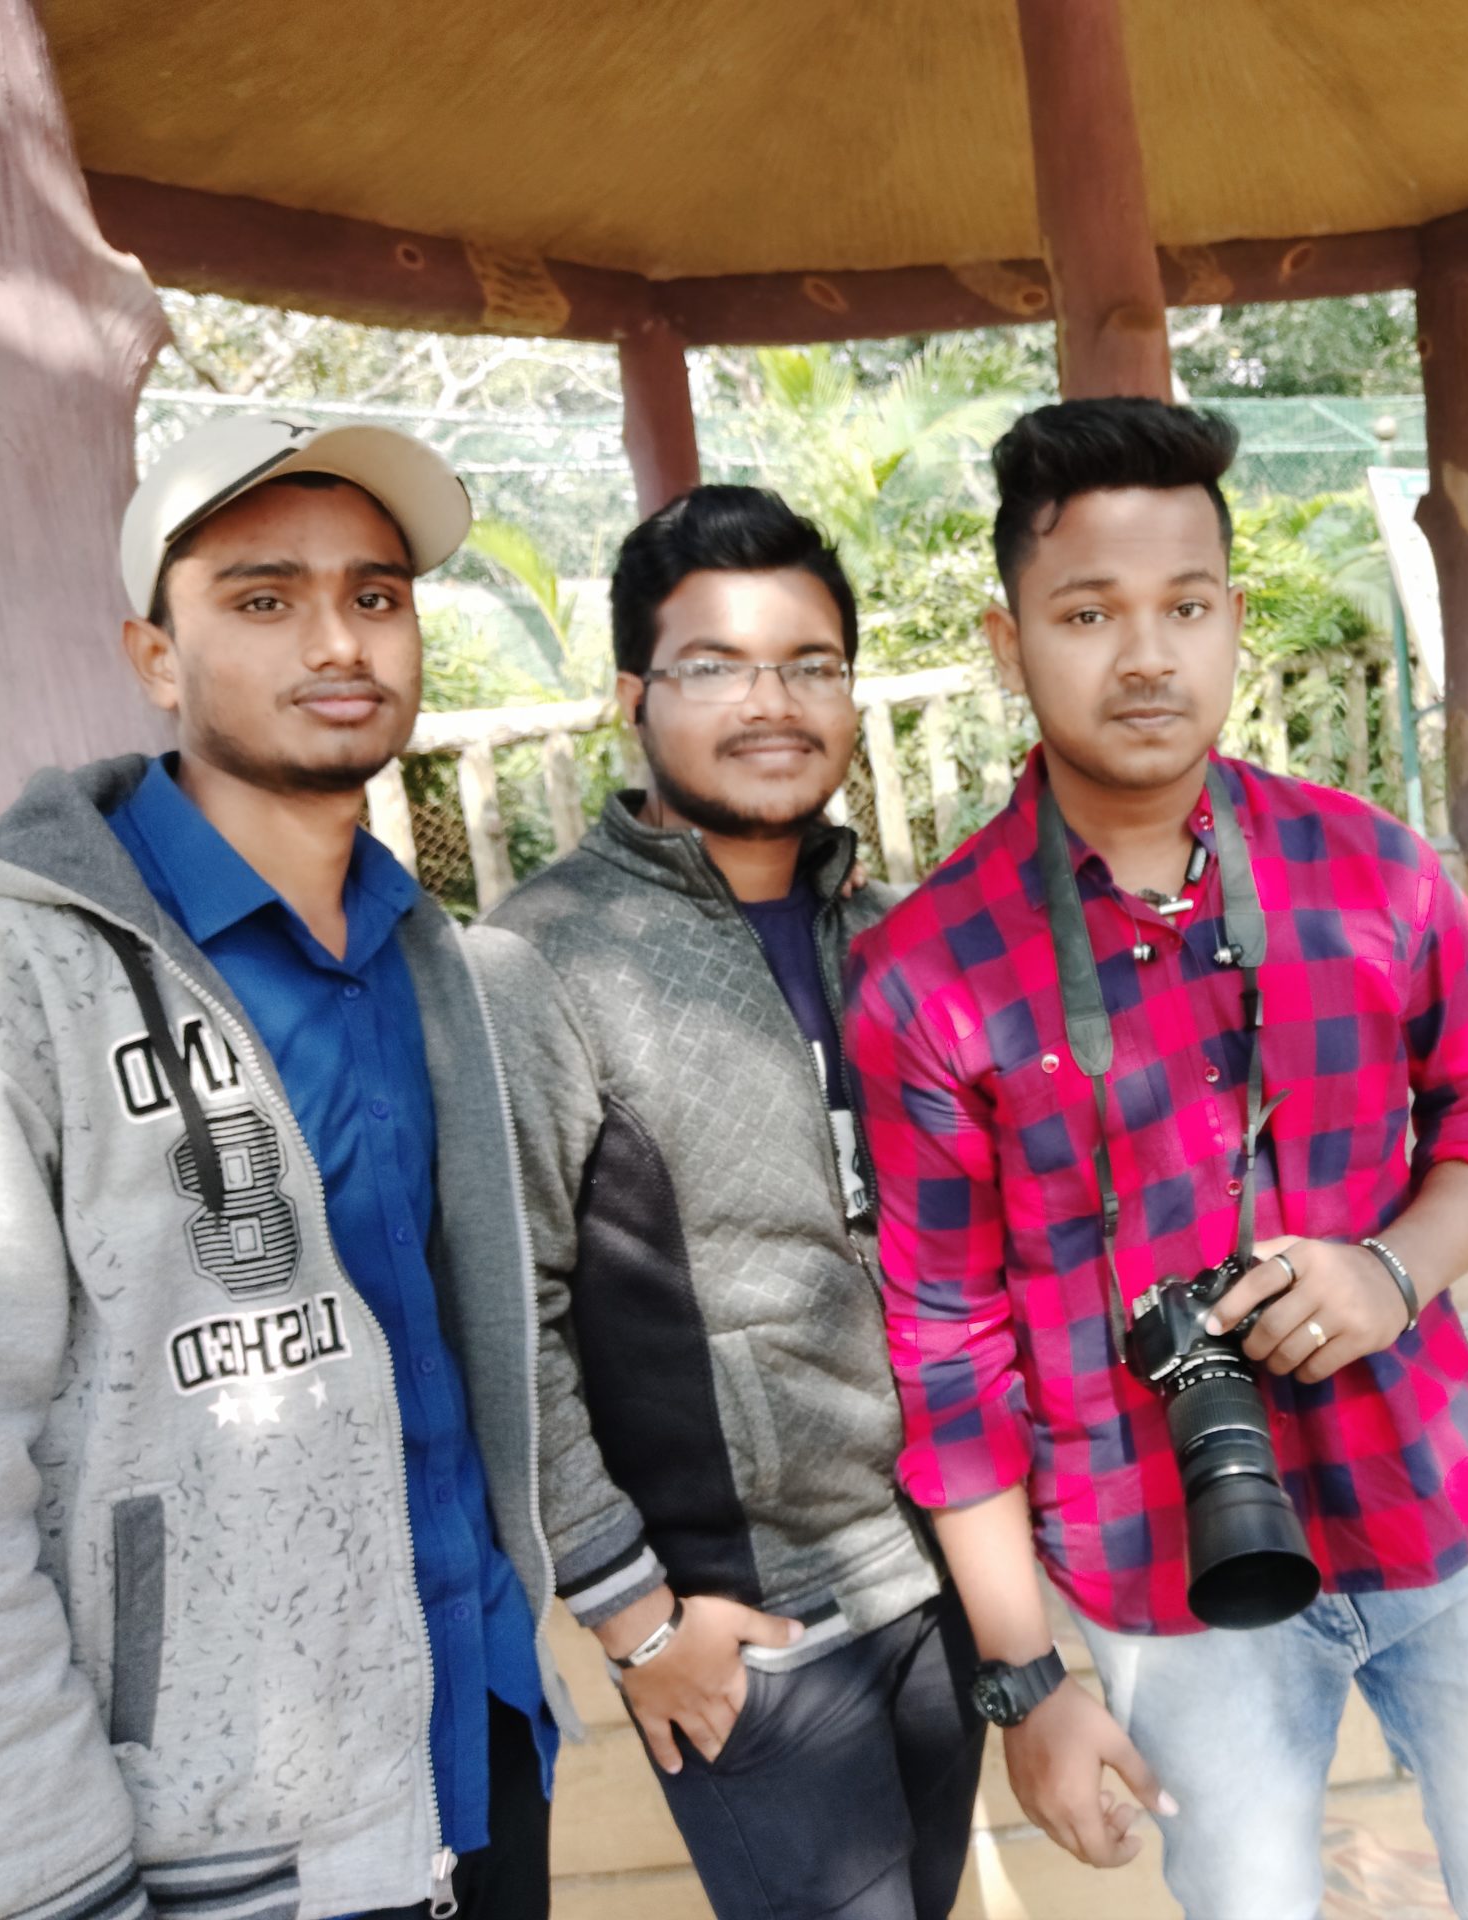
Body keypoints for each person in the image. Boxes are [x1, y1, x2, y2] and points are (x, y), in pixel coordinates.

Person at [845, 397, 1468, 1920]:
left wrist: (1393, 1271)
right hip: (1155, 1556)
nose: (1146, 656)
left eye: (1187, 607)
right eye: (1088, 613)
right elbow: (946, 1345)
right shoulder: (928, 973)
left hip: (1435, 1489)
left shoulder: (1373, 867)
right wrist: (1025, 1680)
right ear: (1010, 643)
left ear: (1234, 621)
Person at [0, 413, 585, 1920]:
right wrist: (45, 1890)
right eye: (263, 597)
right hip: (211, 1854)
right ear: (156, 658)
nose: (339, 638)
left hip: (482, 1745)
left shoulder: (429, 959)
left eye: (376, 594)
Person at [464, 485, 982, 1920]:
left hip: (939, 1566)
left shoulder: (889, 933)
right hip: (748, 1619)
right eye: (715, 666)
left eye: (811, 663)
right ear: (633, 695)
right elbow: (508, 1315)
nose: (772, 703)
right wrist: (634, 1617)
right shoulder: (539, 963)